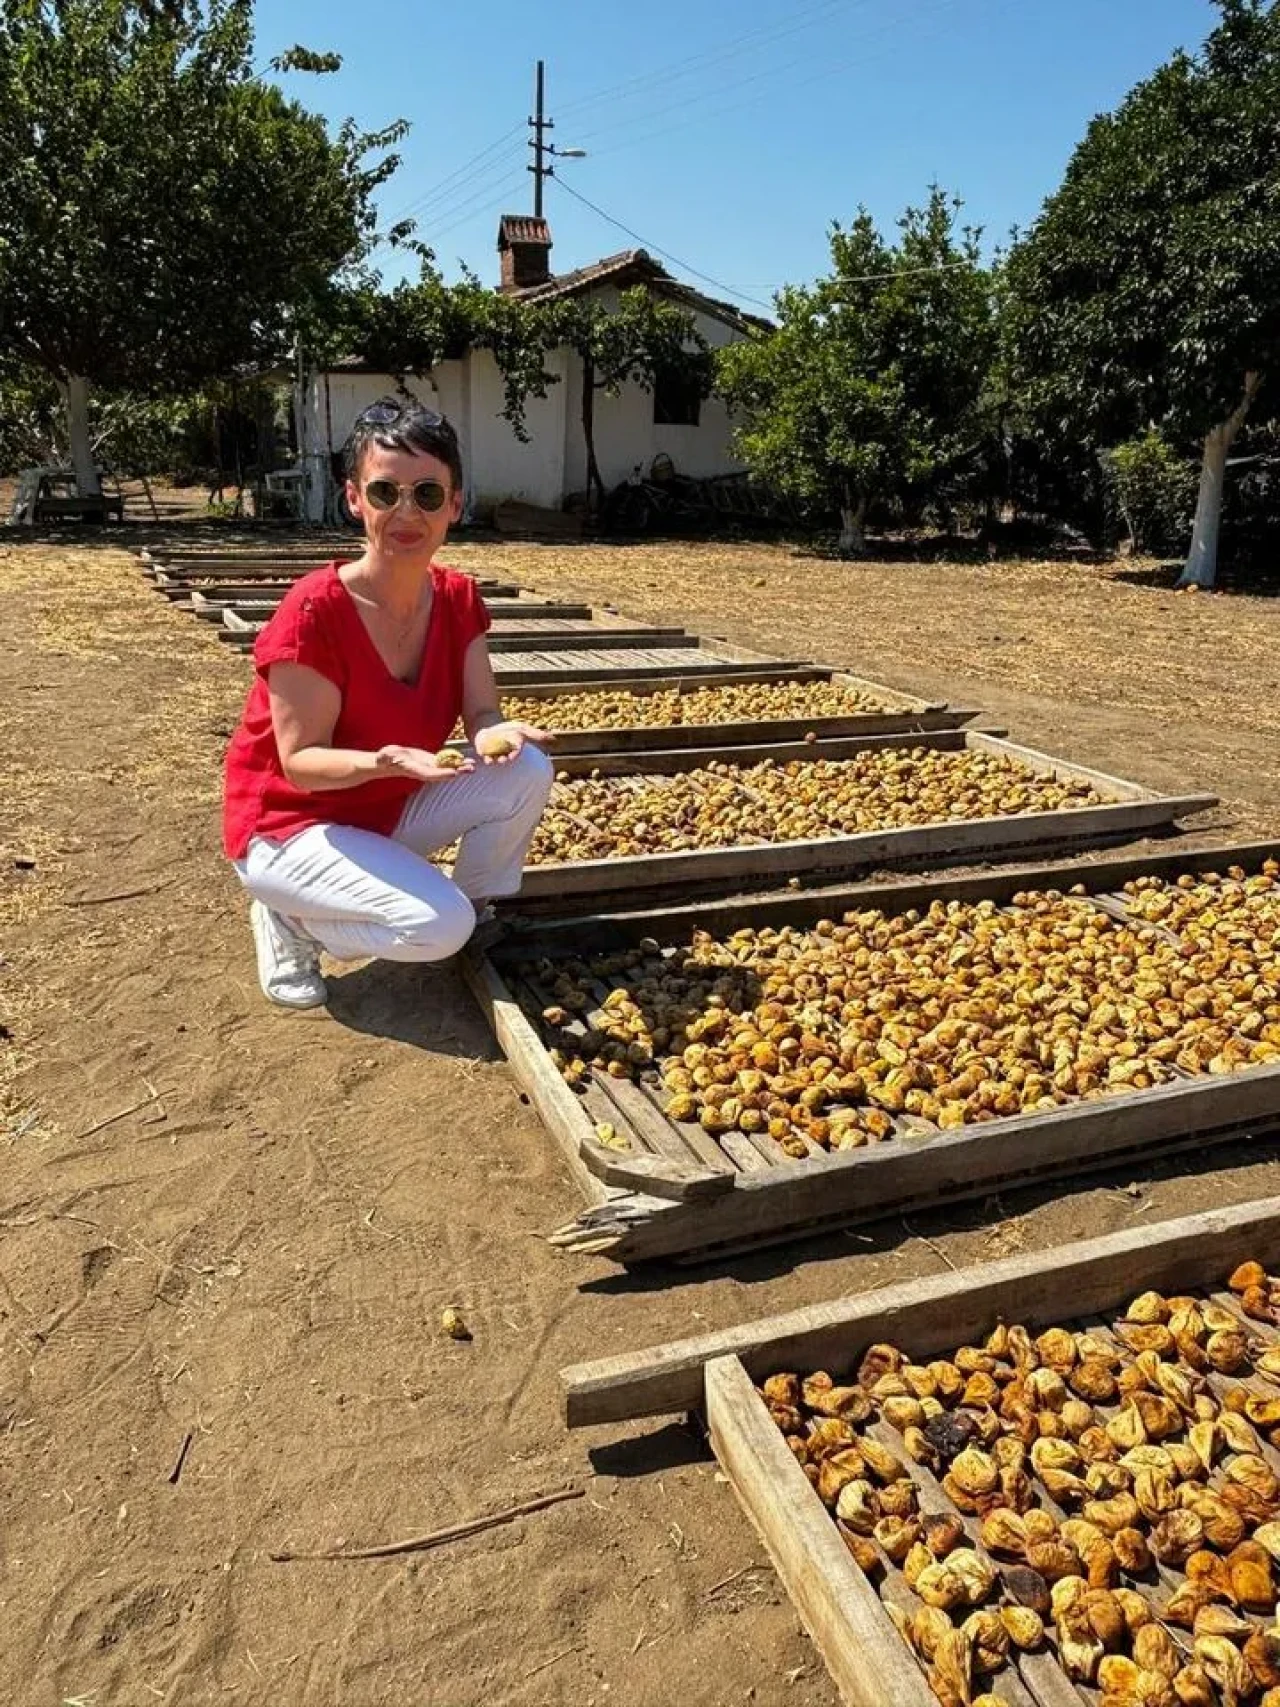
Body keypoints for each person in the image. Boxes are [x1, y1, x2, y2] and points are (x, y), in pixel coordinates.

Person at [222, 398, 553, 1010]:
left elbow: (482, 714)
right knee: (436, 927)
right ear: (355, 499)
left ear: (454, 504)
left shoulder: (458, 598)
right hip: (291, 827)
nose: (407, 512)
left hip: (384, 806)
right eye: (385, 492)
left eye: (427, 494)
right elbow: (300, 764)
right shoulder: (315, 610)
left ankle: (474, 911)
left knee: (527, 767)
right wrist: (385, 761)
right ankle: (292, 920)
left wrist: (492, 733)